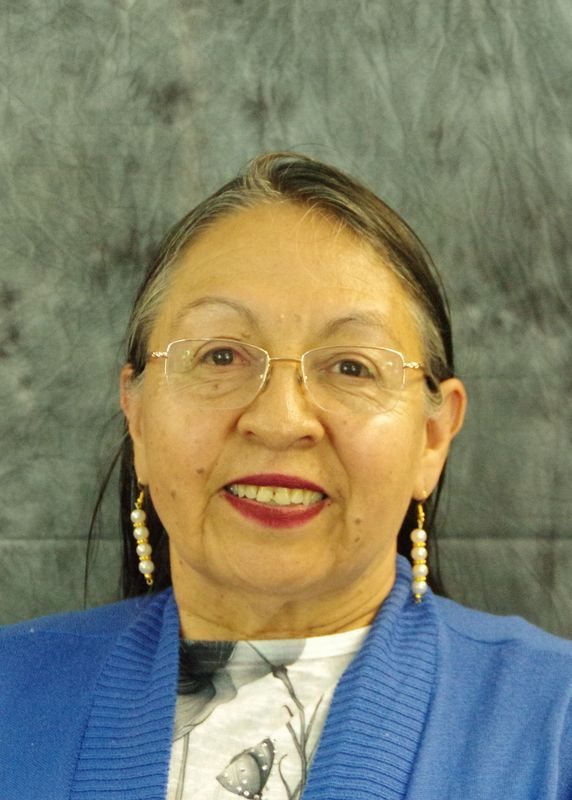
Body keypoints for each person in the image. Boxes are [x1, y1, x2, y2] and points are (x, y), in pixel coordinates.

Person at [1, 152, 571, 800]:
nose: (279, 419)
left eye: (352, 367)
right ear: (136, 416)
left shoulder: (556, 724)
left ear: (433, 438)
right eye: (219, 355)